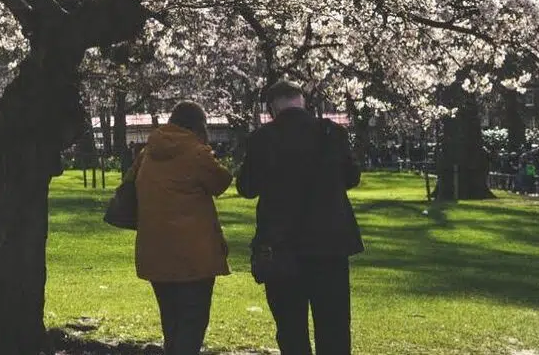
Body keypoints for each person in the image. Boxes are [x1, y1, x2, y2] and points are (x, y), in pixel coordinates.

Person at [237, 80, 363, 355]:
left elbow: (247, 187)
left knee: (291, 328)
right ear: (302, 101)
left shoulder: (263, 138)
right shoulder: (331, 133)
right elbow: (351, 177)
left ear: (271, 107)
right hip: (329, 244)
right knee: (334, 326)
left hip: (282, 244)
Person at [129, 100, 232, 355]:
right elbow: (221, 182)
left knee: (171, 320)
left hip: (155, 251)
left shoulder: (148, 152)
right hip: (194, 254)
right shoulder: (196, 153)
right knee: (193, 321)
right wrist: (207, 148)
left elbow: (130, 184)